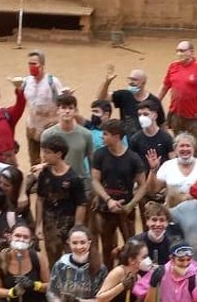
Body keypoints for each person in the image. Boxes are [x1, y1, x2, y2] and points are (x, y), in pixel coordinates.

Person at [91, 120, 148, 262]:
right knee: (106, 246)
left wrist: (130, 205)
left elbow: (143, 185)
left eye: (105, 134)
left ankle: (130, 276)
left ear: (116, 137)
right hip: (105, 209)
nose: (102, 137)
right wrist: (108, 200)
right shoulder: (99, 154)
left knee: (131, 246)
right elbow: (95, 180)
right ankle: (108, 277)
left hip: (126, 210)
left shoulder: (133, 158)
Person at [32, 134, 88, 262]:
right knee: (53, 260)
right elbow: (40, 199)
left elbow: (81, 204)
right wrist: (38, 225)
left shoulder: (73, 178)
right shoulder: (44, 174)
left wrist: (77, 228)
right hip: (49, 226)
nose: (43, 156)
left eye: (47, 152)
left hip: (67, 226)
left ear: (58, 154)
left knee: (72, 260)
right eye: (43, 151)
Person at [160, 41, 197, 146]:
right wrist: (156, 102)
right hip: (176, 114)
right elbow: (165, 86)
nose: (179, 53)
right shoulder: (173, 66)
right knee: (178, 143)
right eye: (177, 51)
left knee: (196, 145)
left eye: (182, 51)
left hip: (194, 117)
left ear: (191, 52)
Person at [21, 51, 65, 165]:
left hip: (50, 125)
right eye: (29, 64)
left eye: (34, 64)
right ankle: (35, 177)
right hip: (32, 125)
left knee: (51, 157)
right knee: (33, 157)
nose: (31, 67)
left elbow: (62, 102)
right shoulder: (26, 82)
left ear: (42, 65)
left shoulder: (52, 82)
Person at [98, 65, 164, 137]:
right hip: (126, 140)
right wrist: (107, 83)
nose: (130, 82)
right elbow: (102, 98)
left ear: (143, 82)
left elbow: (162, 124)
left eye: (134, 80)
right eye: (129, 79)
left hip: (146, 140)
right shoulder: (123, 95)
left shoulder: (154, 101)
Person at [40, 92, 95, 176]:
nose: (67, 111)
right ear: (57, 110)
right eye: (63, 108)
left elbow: (92, 161)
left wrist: (93, 183)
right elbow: (44, 161)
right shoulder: (48, 134)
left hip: (80, 181)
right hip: (55, 181)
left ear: (75, 111)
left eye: (70, 108)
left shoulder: (86, 134)